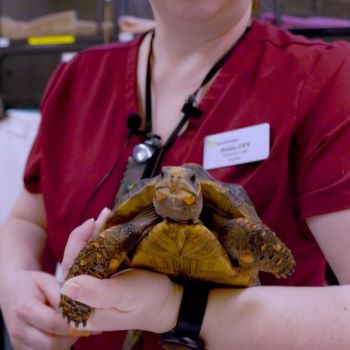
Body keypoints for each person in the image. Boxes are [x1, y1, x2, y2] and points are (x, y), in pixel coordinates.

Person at [1, 0, 350, 349]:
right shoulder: (76, 78)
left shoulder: (324, 77)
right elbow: (29, 221)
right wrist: (13, 282)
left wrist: (177, 310)